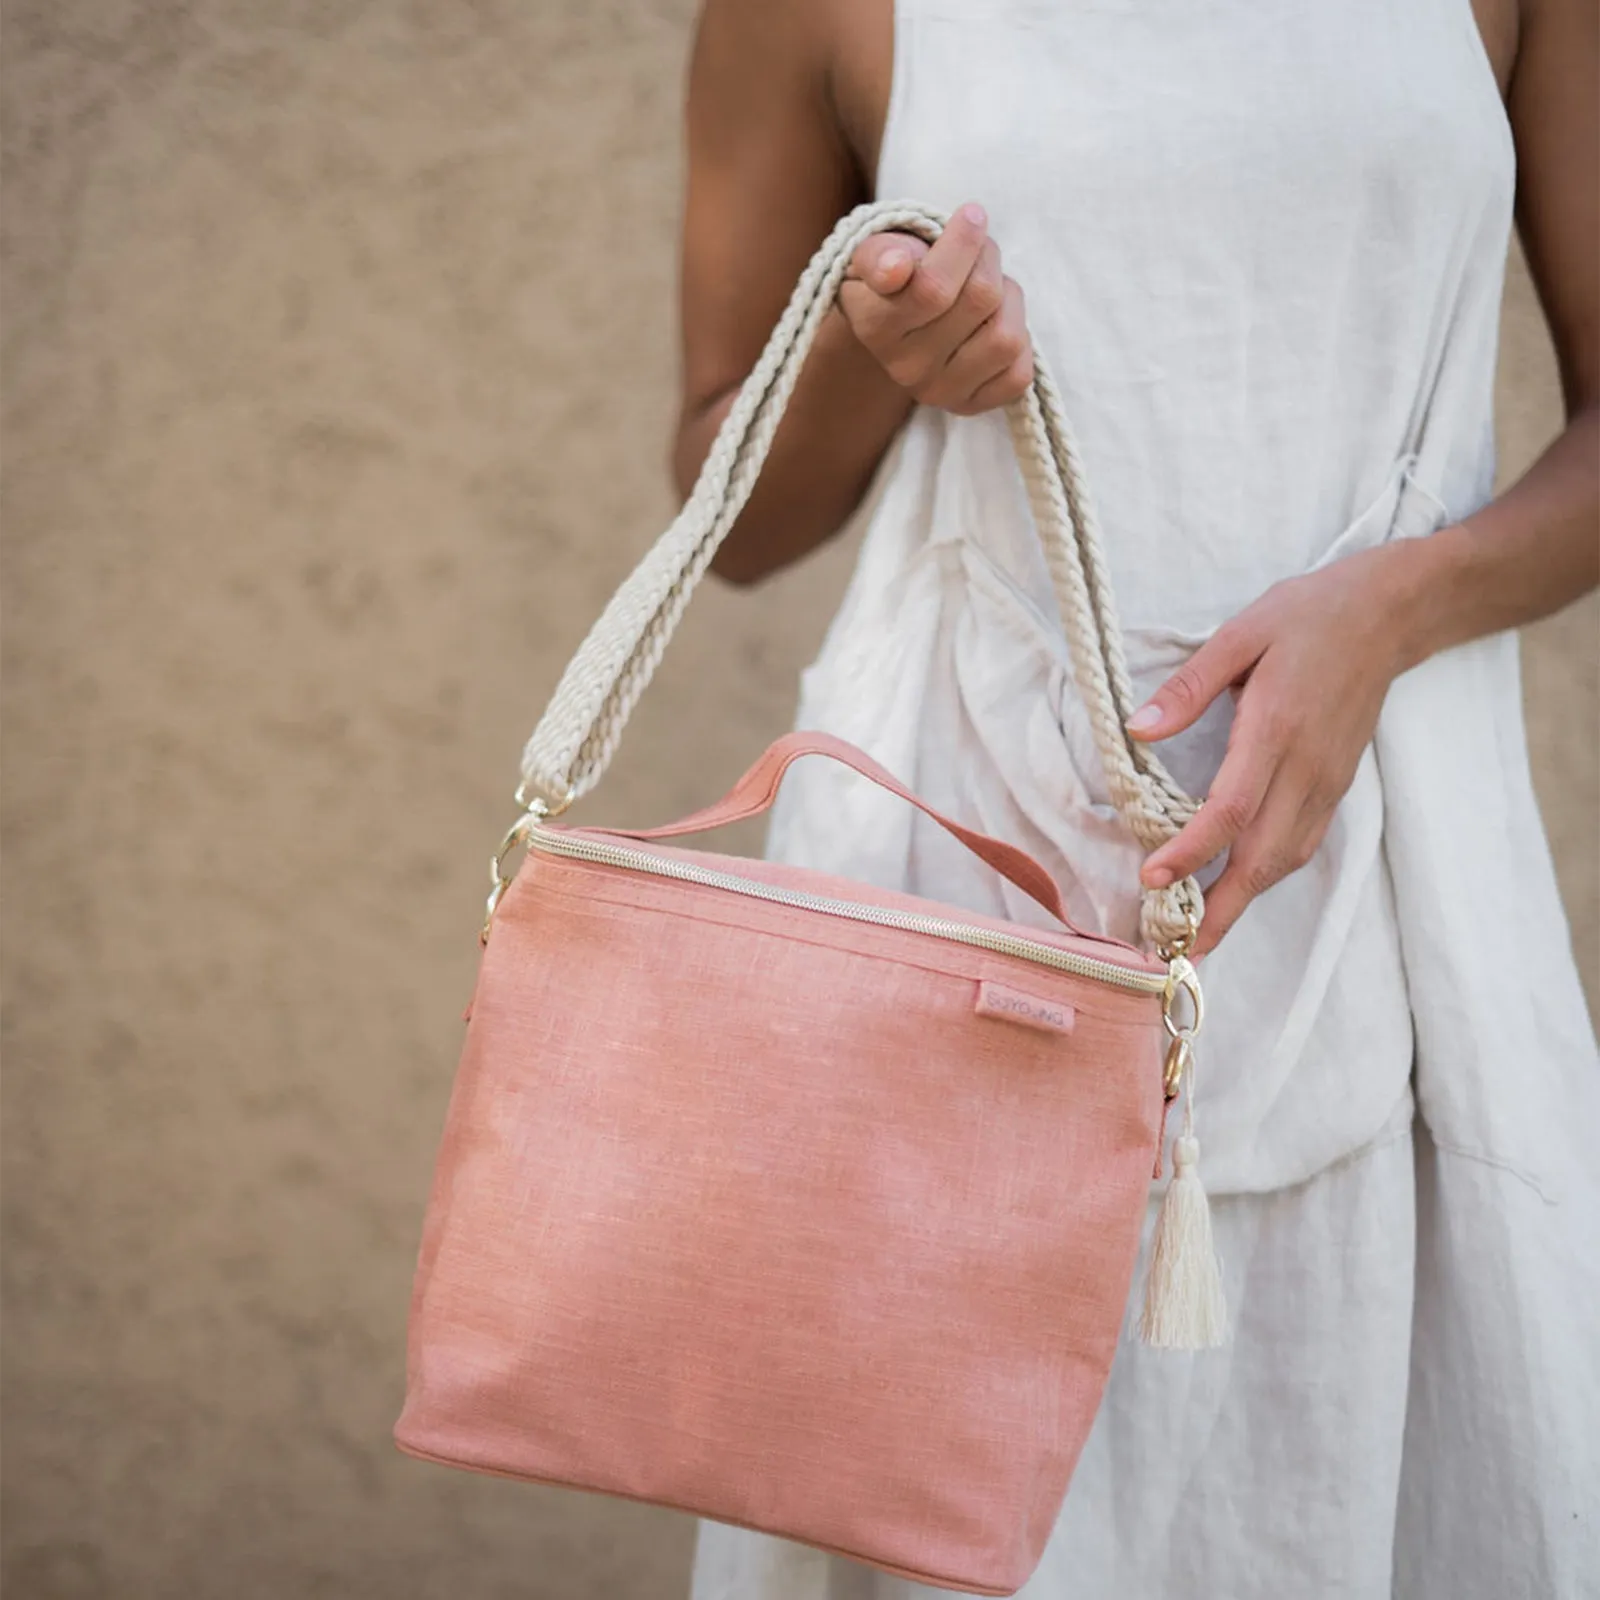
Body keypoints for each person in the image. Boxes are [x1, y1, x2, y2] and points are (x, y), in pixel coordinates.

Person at [674, 1, 1600, 1595]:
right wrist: (873, 344)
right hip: (956, 922)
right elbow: (730, 511)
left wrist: (1394, 608)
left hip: (1392, 914)